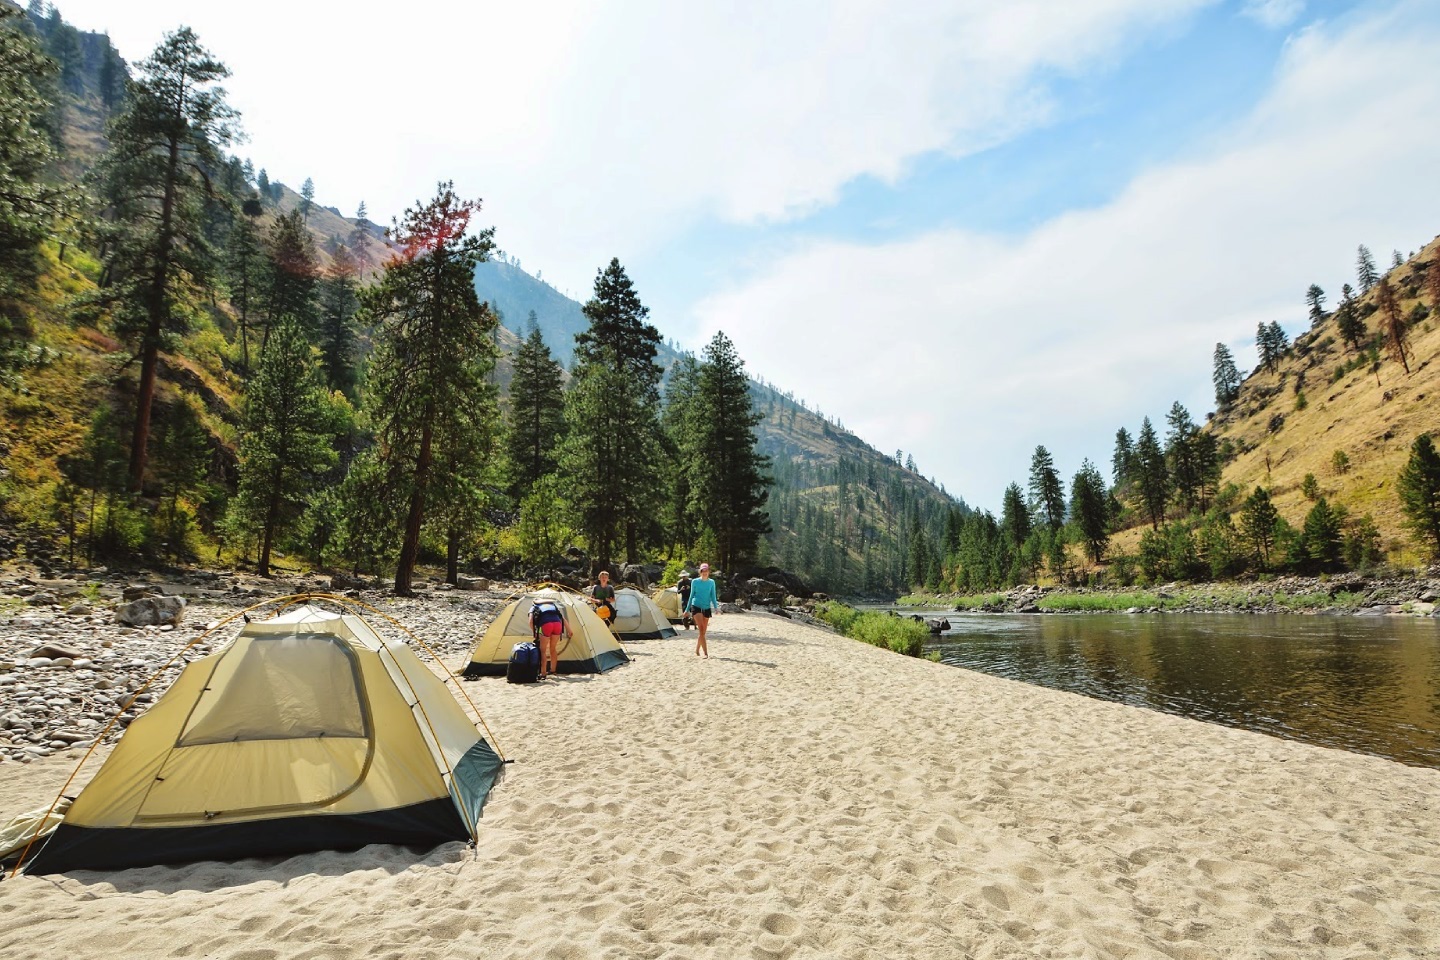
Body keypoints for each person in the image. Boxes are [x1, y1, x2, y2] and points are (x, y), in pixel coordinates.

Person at [528, 596, 572, 679]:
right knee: (553, 648)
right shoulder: (552, 606)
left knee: (543, 650)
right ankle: (553, 670)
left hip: (546, 625)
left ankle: (543, 673)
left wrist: (535, 632)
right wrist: (569, 630)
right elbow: (562, 618)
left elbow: (530, 621)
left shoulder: (534, 607)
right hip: (557, 624)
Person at [686, 563, 718, 657]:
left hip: (706, 607)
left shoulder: (711, 582)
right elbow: (691, 596)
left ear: (708, 572)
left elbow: (713, 596)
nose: (705, 573)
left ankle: (697, 650)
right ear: (700, 572)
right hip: (696, 606)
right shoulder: (695, 582)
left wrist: (716, 608)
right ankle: (705, 653)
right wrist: (687, 610)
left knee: (703, 632)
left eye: (706, 571)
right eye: (703, 571)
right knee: (701, 629)